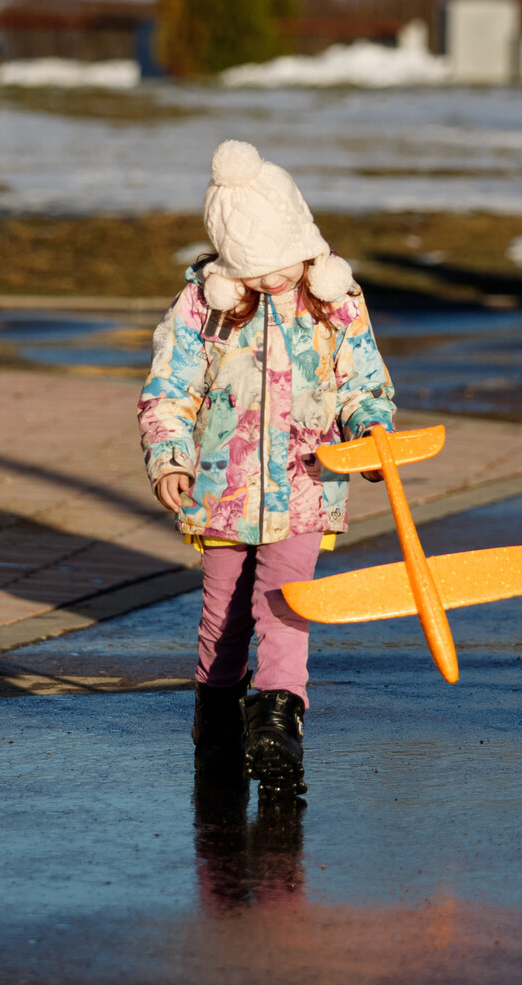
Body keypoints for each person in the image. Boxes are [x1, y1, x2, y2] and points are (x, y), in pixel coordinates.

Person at [139, 139, 395, 796]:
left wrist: (369, 431)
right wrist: (171, 456)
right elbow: (169, 390)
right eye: (255, 269)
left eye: (283, 262)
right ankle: (217, 719)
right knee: (223, 615)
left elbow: (363, 380)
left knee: (284, 604)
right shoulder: (206, 305)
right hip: (221, 489)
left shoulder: (333, 302)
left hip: (306, 487)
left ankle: (279, 719)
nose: (273, 278)